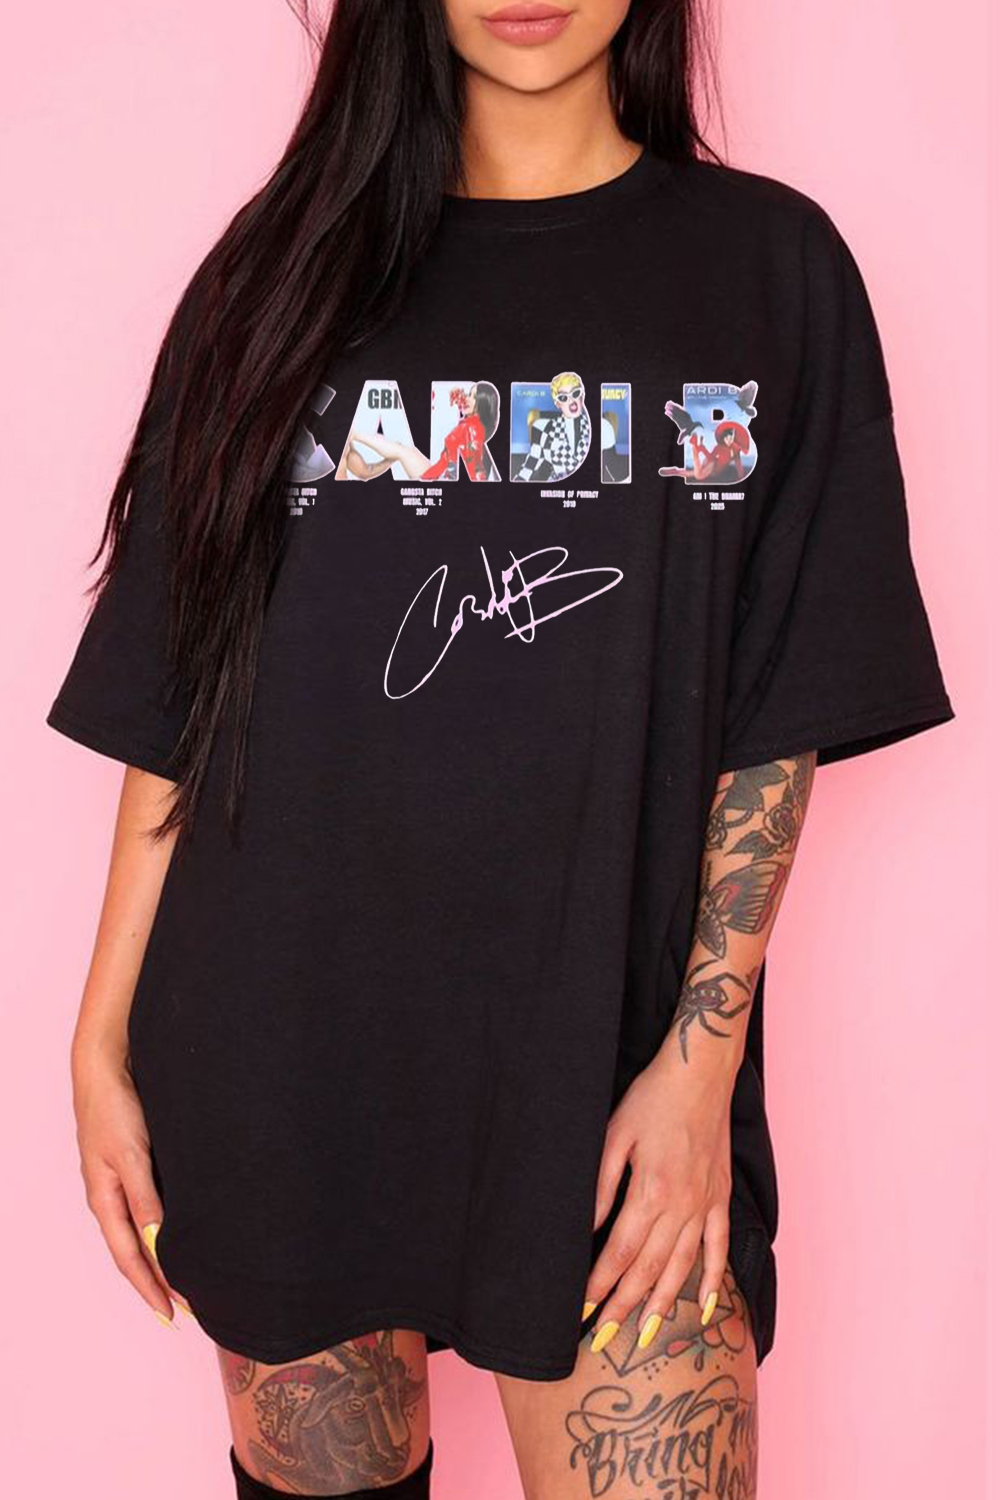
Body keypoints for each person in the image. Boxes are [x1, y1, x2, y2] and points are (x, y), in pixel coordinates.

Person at [47, 3, 955, 1497]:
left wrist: (698, 1073)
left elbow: (777, 710)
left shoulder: (768, 267)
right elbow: (183, 684)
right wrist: (97, 1039)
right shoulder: (276, 275)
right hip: (283, 1051)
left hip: (607, 1057)